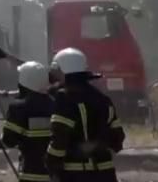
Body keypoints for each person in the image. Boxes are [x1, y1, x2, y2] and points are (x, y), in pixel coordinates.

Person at [46, 47, 124, 181]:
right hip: (106, 174)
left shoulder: (65, 99)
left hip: (76, 176)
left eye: (56, 72)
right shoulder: (103, 99)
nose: (54, 77)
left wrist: (51, 165)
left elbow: (59, 140)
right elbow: (118, 138)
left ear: (64, 72)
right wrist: (99, 150)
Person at [0, 61, 55, 182]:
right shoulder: (56, 104)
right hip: (55, 174)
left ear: (24, 81)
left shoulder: (19, 107)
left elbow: (8, 141)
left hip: (31, 174)